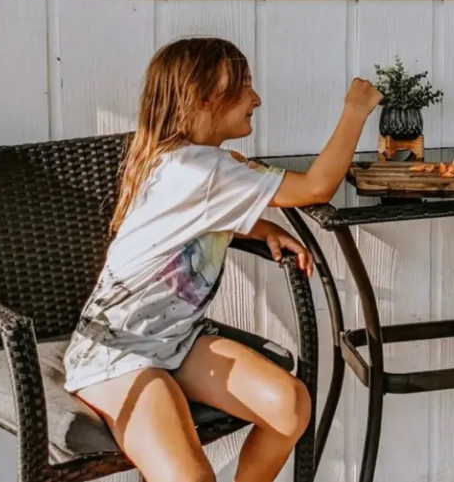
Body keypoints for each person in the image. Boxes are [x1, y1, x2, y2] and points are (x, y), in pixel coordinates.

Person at [63, 37, 382, 482]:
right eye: (243, 85)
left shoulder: (181, 159)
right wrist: (355, 110)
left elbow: (192, 217)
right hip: (117, 355)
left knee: (289, 405)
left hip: (175, 340)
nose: (256, 98)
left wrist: (260, 226)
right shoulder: (203, 169)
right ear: (203, 98)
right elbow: (315, 187)